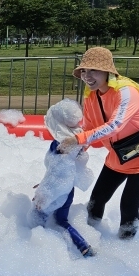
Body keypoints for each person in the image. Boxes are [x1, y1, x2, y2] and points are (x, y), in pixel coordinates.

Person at [59, 47, 139, 240]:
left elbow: (115, 125)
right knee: (96, 200)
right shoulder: (92, 95)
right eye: (84, 71)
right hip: (117, 156)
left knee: (128, 205)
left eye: (94, 70)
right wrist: (68, 156)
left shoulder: (127, 92)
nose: (87, 76)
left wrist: (78, 140)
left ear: (108, 71)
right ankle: (89, 238)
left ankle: (125, 249)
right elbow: (89, 128)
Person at [31, 99, 95, 257]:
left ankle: (38, 252)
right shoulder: (75, 138)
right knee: (60, 220)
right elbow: (65, 171)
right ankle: (83, 247)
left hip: (58, 191)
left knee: (39, 218)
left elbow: (58, 173)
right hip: (66, 189)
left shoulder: (62, 146)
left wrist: (44, 193)